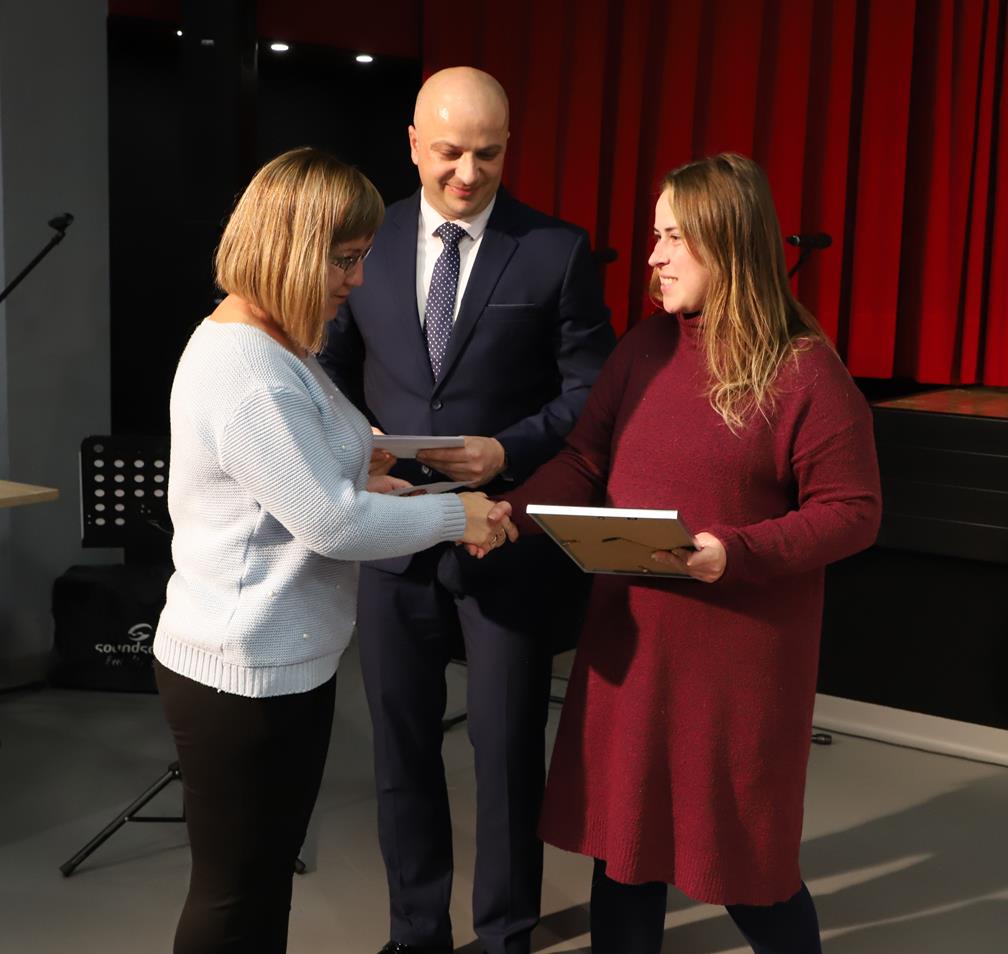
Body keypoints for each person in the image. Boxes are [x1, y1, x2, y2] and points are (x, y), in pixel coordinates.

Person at [502, 153, 882, 954]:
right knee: (625, 851)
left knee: (746, 866)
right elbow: (584, 460)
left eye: (674, 237)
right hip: (634, 648)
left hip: (734, 667)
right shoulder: (646, 346)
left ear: (728, 241)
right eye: (656, 235)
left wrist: (732, 553)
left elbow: (852, 512)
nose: (654, 255)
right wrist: (510, 514)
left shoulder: (803, 369)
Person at [152, 147, 515, 954]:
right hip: (240, 671)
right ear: (288, 246)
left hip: (279, 661)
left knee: (262, 883)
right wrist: (454, 515)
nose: (356, 280)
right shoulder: (250, 369)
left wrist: (362, 471)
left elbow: (295, 487)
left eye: (362, 258)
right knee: (233, 897)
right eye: (343, 259)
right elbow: (334, 527)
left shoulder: (277, 343)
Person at [318, 67, 614, 954]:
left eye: (487, 154)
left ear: (508, 147)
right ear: (413, 143)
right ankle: (416, 934)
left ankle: (506, 936)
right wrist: (358, 440)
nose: (467, 173)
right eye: (449, 152)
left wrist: (508, 450)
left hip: (504, 536)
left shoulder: (555, 249)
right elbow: (327, 367)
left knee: (508, 752)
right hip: (392, 534)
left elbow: (591, 393)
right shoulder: (364, 241)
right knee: (401, 752)